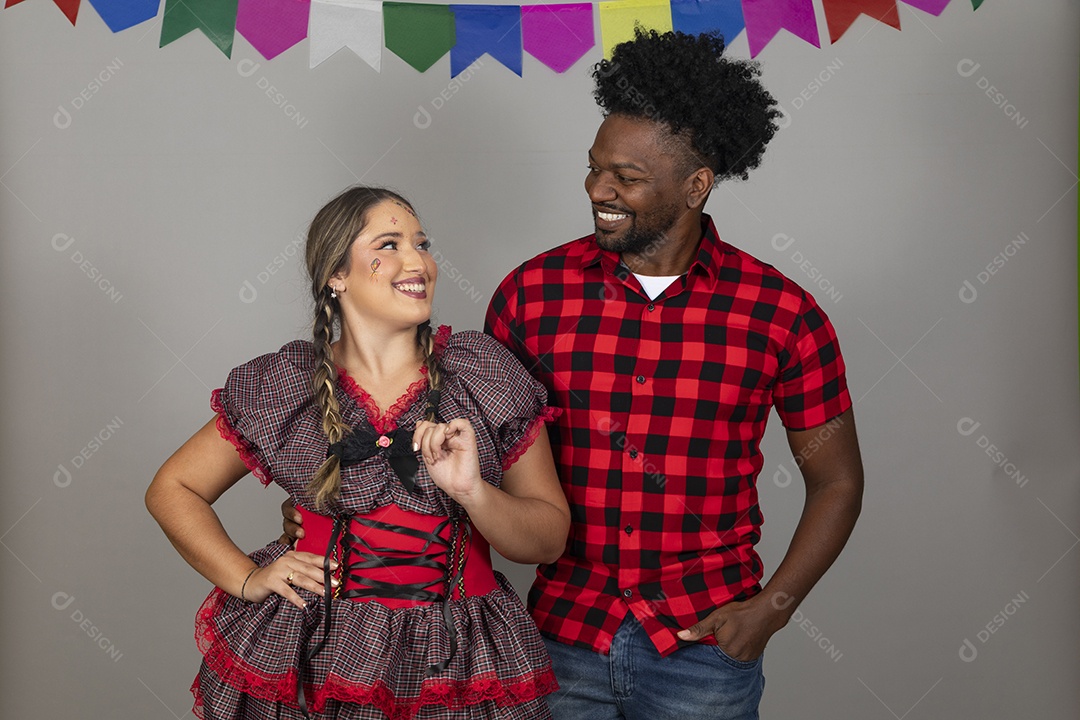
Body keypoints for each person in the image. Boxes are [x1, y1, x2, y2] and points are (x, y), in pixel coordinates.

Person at [284, 30, 863, 720]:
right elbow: (469, 463)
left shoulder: (781, 313)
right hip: (558, 636)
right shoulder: (532, 294)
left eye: (628, 176)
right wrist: (333, 509)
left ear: (696, 186)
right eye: (594, 168)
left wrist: (771, 611)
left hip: (705, 645)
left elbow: (838, 481)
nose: (599, 189)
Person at [146, 186, 570, 720]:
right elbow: (173, 489)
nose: (417, 260)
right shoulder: (286, 385)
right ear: (336, 275)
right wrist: (247, 577)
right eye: (389, 244)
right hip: (317, 649)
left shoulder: (484, 374)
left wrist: (473, 492)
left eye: (422, 242)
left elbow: (549, 540)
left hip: (461, 658)